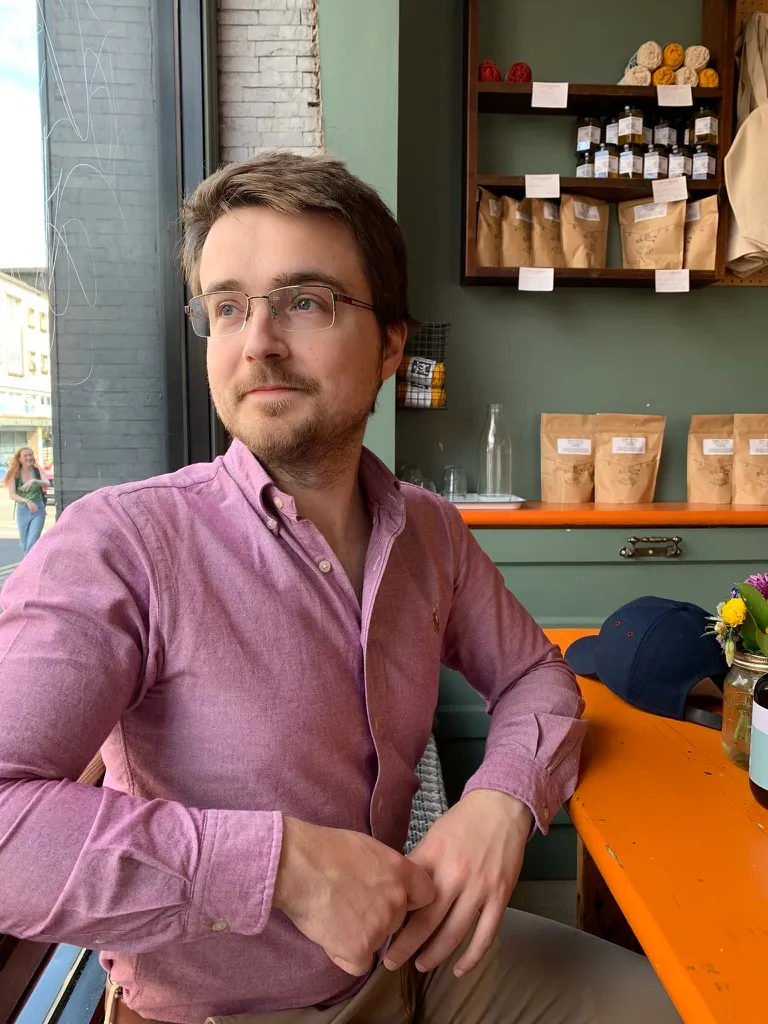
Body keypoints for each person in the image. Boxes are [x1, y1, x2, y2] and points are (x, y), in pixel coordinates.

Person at [0, 153, 682, 1024]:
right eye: (227, 307)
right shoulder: (122, 544)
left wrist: (501, 799)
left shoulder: (430, 532)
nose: (258, 341)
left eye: (305, 301)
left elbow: (536, 677)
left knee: (680, 1007)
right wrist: (282, 866)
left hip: (415, 957)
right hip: (225, 1011)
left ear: (393, 343)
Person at [4, 445, 49, 555]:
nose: (29, 457)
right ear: (19, 459)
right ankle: (30, 564)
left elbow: (47, 483)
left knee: (32, 541)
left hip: (38, 509)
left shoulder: (37, 471)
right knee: (24, 544)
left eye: (30, 455)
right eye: (25, 456)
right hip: (22, 510)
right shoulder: (14, 474)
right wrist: (27, 501)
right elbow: (12, 495)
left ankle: (27, 565)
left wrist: (34, 481)